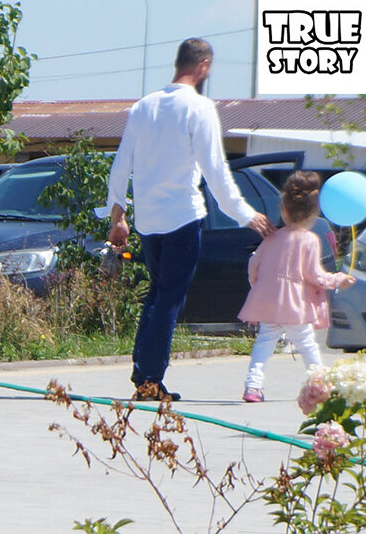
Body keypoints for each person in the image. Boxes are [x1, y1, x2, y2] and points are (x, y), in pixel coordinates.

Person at [100, 37, 276, 402]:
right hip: (181, 215)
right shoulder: (199, 108)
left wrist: (118, 214)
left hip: (149, 220)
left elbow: (121, 165)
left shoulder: (143, 107)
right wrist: (246, 214)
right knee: (169, 299)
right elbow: (215, 171)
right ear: (204, 66)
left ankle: (142, 371)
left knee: (158, 292)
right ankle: (150, 378)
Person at [238, 172, 355, 402]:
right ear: (313, 213)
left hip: (268, 302)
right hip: (295, 306)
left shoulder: (270, 238)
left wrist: (259, 287)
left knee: (264, 343)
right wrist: (339, 278)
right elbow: (315, 276)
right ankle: (321, 384)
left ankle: (253, 386)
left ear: (284, 208)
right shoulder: (309, 240)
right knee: (307, 345)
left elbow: (254, 265)